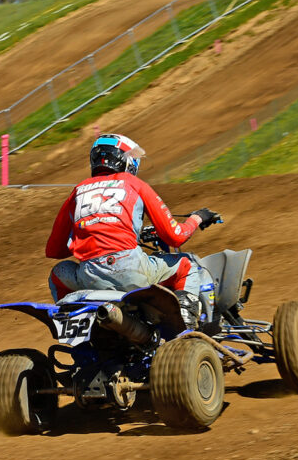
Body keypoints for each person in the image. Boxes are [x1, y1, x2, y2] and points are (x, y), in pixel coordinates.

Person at [44, 133, 220, 329]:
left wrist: (91, 235)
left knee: (58, 272)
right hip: (131, 269)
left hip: (88, 276)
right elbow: (175, 236)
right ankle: (186, 328)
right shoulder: (133, 183)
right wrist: (197, 218)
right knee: (187, 265)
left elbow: (54, 250)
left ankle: (69, 320)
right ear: (125, 160)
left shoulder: (78, 190)